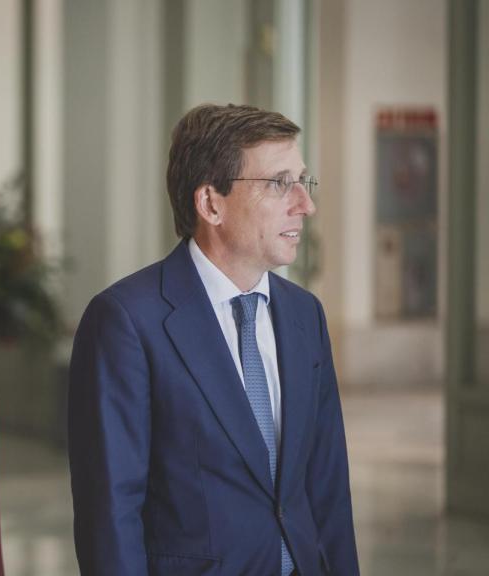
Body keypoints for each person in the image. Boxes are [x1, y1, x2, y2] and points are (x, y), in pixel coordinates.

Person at [68, 104, 359, 575]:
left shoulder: (305, 315)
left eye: (303, 182)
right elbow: (110, 512)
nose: (305, 205)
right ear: (211, 203)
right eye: (279, 184)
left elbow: (328, 490)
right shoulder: (125, 321)